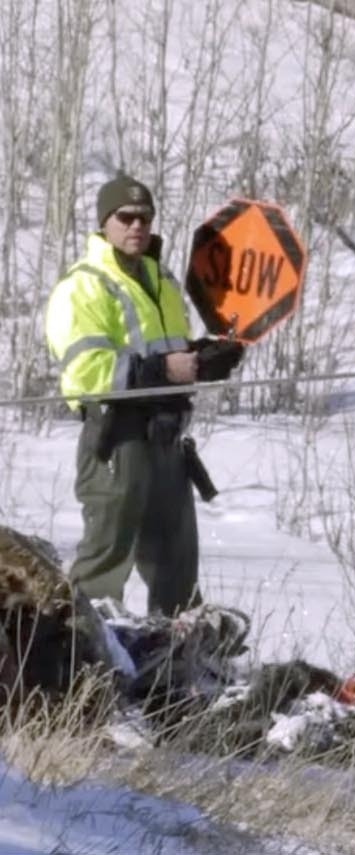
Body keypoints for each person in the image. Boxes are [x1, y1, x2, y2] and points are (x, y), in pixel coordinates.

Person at [44, 173, 243, 615]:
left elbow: (169, 357)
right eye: (126, 216)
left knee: (177, 569)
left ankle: (174, 673)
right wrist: (162, 368)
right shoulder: (83, 285)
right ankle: (80, 667)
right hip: (118, 439)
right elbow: (85, 372)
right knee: (105, 562)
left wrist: (204, 357)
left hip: (168, 439)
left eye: (145, 217)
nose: (137, 225)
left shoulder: (163, 280)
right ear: (104, 222)